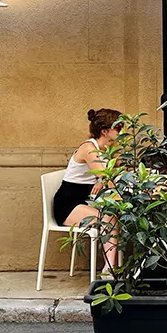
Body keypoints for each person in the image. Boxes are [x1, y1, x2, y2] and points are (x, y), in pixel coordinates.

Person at [53, 108, 121, 268]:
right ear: (105, 131)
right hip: (69, 206)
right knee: (109, 220)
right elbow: (110, 179)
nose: (122, 131)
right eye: (118, 128)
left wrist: (102, 179)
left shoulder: (107, 149)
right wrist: (103, 179)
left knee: (113, 216)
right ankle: (109, 271)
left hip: (86, 202)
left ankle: (111, 269)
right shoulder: (89, 149)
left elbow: (114, 174)